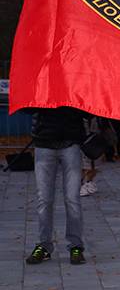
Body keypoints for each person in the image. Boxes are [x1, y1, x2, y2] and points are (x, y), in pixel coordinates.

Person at [26, 106, 88, 265]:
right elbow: (25, 107)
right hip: (44, 141)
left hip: (70, 141)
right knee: (44, 199)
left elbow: (88, 111)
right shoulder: (41, 83)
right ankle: (44, 245)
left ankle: (76, 245)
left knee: (72, 198)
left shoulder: (75, 84)